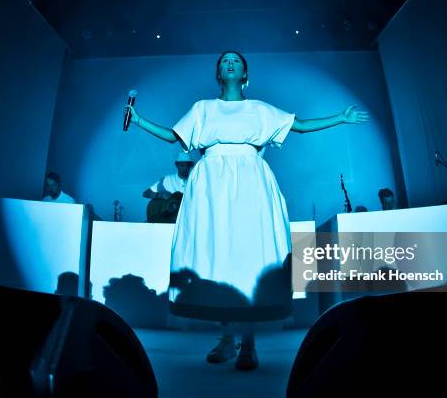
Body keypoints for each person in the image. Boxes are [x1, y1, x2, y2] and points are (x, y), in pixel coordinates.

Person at [125, 51, 369, 370]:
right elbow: (175, 135)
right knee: (219, 258)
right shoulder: (203, 108)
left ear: (245, 74)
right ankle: (227, 339)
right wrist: (138, 118)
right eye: (224, 60)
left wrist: (341, 117)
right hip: (211, 182)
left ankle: (248, 344)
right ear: (218, 73)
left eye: (236, 61)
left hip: (251, 180)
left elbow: (301, 125)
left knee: (248, 256)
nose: (230, 63)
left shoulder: (259, 109)